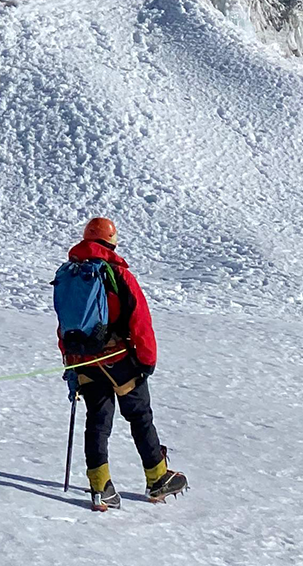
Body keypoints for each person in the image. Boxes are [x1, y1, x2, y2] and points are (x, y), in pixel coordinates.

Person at [59, 216, 188, 511]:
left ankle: (99, 488)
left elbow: (63, 326)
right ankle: (157, 478)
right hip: (118, 360)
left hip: (83, 361)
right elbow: (140, 321)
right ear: (110, 242)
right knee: (140, 416)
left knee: (97, 421)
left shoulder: (69, 276)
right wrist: (146, 361)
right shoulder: (117, 274)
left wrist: (71, 366)